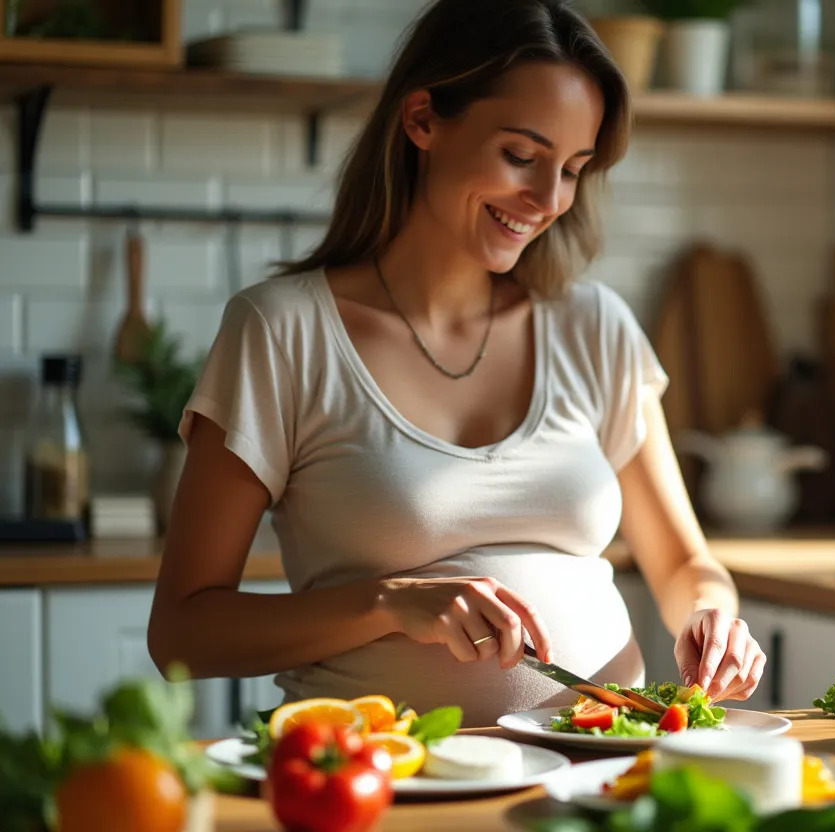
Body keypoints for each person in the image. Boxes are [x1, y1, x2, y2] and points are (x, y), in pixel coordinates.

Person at [147, 0, 765, 727]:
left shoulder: (595, 327)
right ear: (422, 121)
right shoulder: (282, 332)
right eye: (521, 157)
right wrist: (388, 604)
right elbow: (183, 632)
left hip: (594, 773)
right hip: (380, 779)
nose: (547, 200)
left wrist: (712, 615)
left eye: (572, 169)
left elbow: (685, 565)